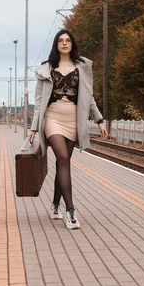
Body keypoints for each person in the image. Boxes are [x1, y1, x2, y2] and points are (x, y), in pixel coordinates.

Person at [29, 29, 108, 230]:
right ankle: (70, 211)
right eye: (61, 40)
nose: (64, 43)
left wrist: (99, 120)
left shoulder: (82, 67)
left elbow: (88, 98)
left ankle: (55, 205)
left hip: (73, 119)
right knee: (63, 157)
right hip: (53, 117)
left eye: (68, 40)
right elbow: (39, 102)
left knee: (63, 163)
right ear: (56, 45)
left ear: (72, 44)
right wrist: (34, 128)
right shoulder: (45, 69)